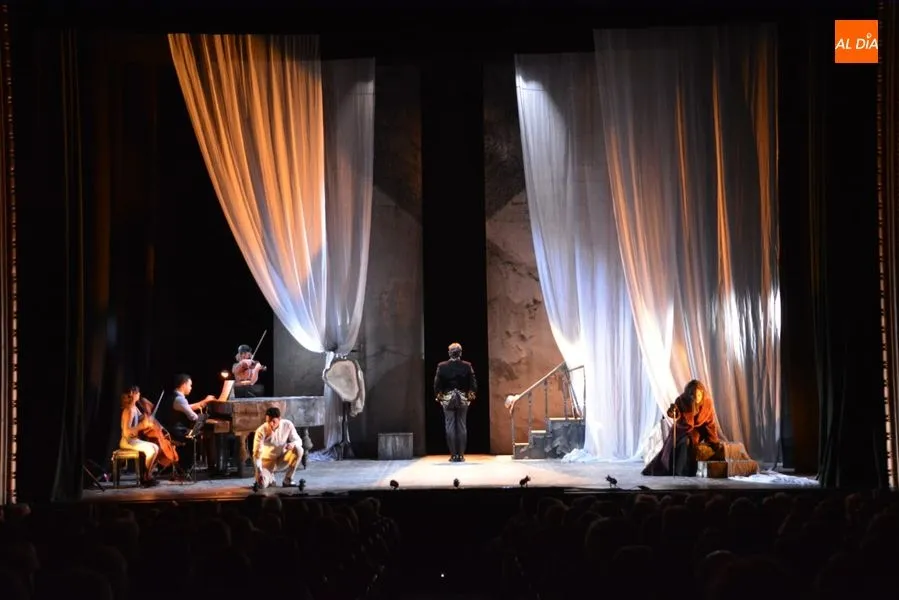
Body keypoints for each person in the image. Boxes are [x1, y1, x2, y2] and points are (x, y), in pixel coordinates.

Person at [642, 379, 722, 476]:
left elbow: (710, 424)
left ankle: (687, 469)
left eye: (699, 395)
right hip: (682, 430)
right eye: (693, 395)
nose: (696, 398)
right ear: (689, 394)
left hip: (697, 432)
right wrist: (673, 412)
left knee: (691, 442)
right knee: (684, 441)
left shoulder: (707, 404)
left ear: (702, 394)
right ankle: (679, 470)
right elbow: (676, 414)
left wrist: (713, 441)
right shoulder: (682, 400)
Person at [158, 374, 220, 469]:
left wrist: (204, 402)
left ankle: (212, 464)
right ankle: (210, 465)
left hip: (170, 429)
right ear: (184, 385)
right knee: (206, 434)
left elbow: (187, 407)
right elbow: (193, 417)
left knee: (203, 433)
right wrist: (205, 417)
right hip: (176, 432)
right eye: (190, 385)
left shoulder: (175, 396)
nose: (191, 388)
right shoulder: (179, 399)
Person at [434, 342, 477, 463]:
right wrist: (470, 397)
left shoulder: (442, 366)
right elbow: (473, 384)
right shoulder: (467, 366)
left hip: (447, 399)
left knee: (450, 426)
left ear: (449, 353)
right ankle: (461, 455)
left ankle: (453, 455)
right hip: (463, 398)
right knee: (462, 426)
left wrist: (440, 398)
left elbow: (437, 385)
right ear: (460, 353)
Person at [252, 406, 302, 489]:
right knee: (262, 485)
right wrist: (259, 471)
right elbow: (257, 454)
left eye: (273, 421)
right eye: (268, 421)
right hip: (266, 463)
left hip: (281, 459)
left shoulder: (287, 425)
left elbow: (299, 441)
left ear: (279, 419)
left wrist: (293, 444)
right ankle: (269, 477)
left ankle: (288, 479)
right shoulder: (261, 430)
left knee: (299, 449)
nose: (271, 424)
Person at [120, 388, 160, 487]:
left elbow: (141, 418)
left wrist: (148, 417)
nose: (139, 394)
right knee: (151, 450)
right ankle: (145, 477)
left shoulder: (135, 408)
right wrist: (141, 426)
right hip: (127, 441)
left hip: (134, 440)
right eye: (137, 393)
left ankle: (147, 474)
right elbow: (126, 432)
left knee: (156, 447)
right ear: (132, 394)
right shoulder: (128, 410)